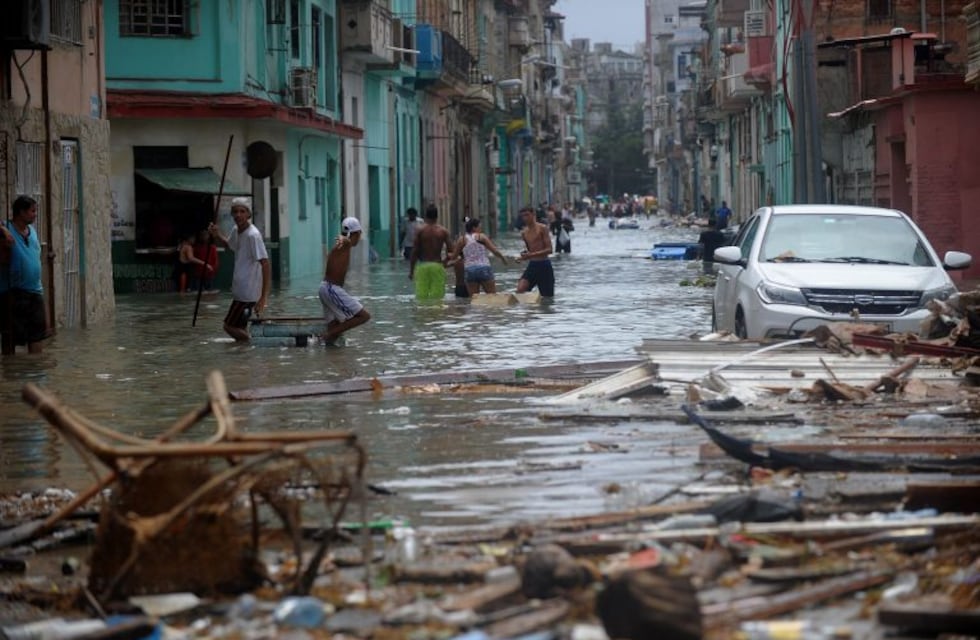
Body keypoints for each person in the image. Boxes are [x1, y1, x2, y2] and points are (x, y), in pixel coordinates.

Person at [208, 198, 270, 341]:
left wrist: (263, 297)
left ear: (248, 215)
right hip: (240, 291)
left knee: (229, 326)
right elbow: (230, 246)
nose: (238, 215)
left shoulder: (253, 235)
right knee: (239, 328)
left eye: (242, 211)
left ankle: (255, 344)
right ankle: (245, 359)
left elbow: (265, 264)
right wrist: (217, 235)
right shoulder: (237, 230)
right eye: (235, 212)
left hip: (248, 294)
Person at [0, 195, 48, 355]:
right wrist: (4, 230)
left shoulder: (32, 232)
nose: (35, 214)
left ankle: (35, 370)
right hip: (14, 292)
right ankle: (12, 372)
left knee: (37, 336)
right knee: (11, 336)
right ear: (21, 212)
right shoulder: (7, 227)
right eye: (32, 211)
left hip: (35, 291)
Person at [319, 217, 371, 344]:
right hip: (331, 289)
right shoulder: (344, 245)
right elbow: (345, 241)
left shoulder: (342, 247)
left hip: (326, 288)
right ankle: (324, 336)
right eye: (360, 234)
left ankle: (328, 356)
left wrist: (344, 239)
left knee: (336, 330)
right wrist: (344, 239)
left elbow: (345, 240)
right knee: (364, 316)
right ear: (357, 233)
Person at [453, 217, 508, 296]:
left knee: (474, 300)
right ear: (474, 228)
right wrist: (503, 259)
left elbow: (454, 256)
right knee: (492, 297)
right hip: (484, 268)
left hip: (470, 270)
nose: (480, 229)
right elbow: (495, 251)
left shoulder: (461, 239)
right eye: (479, 227)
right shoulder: (481, 236)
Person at [409, 204, 454, 301]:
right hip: (437, 266)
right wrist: (445, 263)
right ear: (437, 216)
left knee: (421, 298)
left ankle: (424, 315)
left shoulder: (420, 230)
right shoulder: (443, 231)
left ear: (425, 216)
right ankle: (436, 316)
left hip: (423, 266)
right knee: (437, 298)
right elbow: (451, 252)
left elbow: (415, 251)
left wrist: (411, 271)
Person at [515, 206, 555, 297]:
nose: (525, 218)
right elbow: (530, 250)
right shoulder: (524, 233)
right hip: (532, 265)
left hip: (544, 266)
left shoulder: (542, 228)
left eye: (527, 215)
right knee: (520, 290)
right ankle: (529, 310)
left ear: (533, 214)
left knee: (547, 297)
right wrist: (523, 256)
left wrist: (531, 255)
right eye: (523, 216)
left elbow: (549, 249)